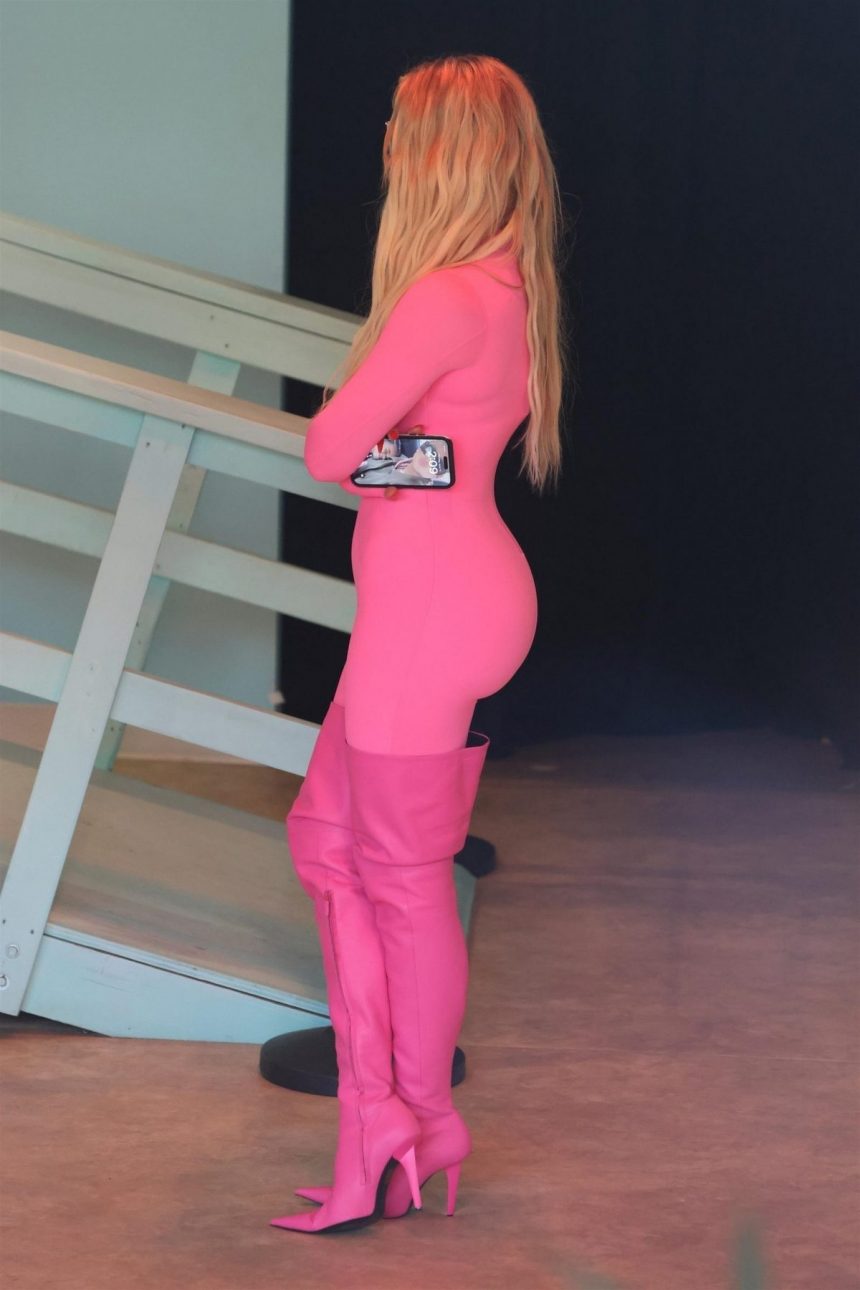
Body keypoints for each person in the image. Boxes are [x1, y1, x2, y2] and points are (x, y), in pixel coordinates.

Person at [270, 51, 569, 1235]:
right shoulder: (507, 284)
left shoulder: (443, 295)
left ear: (441, 153)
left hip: (430, 609)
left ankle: (401, 1122)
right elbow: (439, 453)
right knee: (335, 848)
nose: (388, 148)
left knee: (393, 877)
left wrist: (383, 462)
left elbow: (326, 450)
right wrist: (410, 461)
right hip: (451, 592)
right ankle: (388, 1120)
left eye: (402, 130)